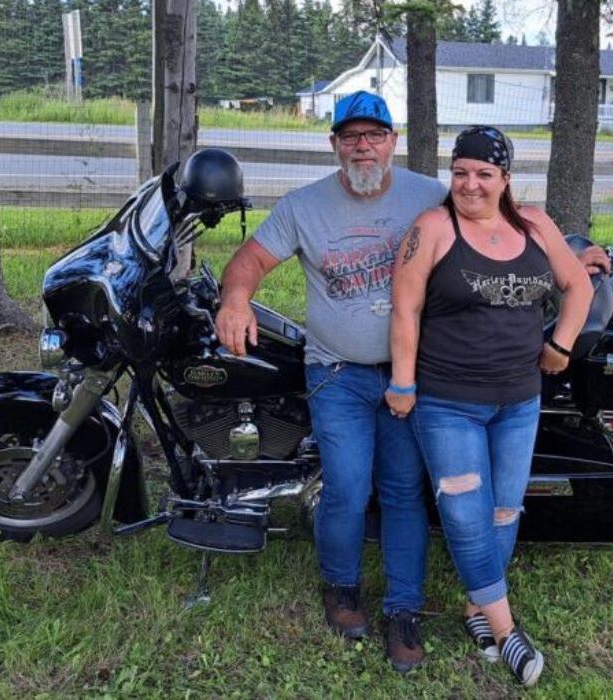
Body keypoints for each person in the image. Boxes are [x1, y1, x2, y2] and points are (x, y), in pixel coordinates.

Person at [215, 90, 447, 673]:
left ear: (393, 141)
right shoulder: (304, 207)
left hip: (407, 373)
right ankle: (341, 587)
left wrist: (567, 251)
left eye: (374, 135)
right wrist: (237, 298)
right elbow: (249, 261)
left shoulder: (431, 196)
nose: (363, 146)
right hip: (337, 372)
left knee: (401, 489)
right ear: (335, 144)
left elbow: (499, 224)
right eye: (351, 136)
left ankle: (403, 609)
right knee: (345, 485)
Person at [386, 125, 596, 687]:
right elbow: (404, 311)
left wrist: (560, 346)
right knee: (463, 514)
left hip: (518, 402)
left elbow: (578, 287)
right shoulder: (432, 228)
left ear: (505, 178)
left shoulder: (534, 225)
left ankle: (477, 609)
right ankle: (506, 631)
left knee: (505, 512)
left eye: (483, 174)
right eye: (459, 173)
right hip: (447, 401)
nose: (469, 184)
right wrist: (403, 384)